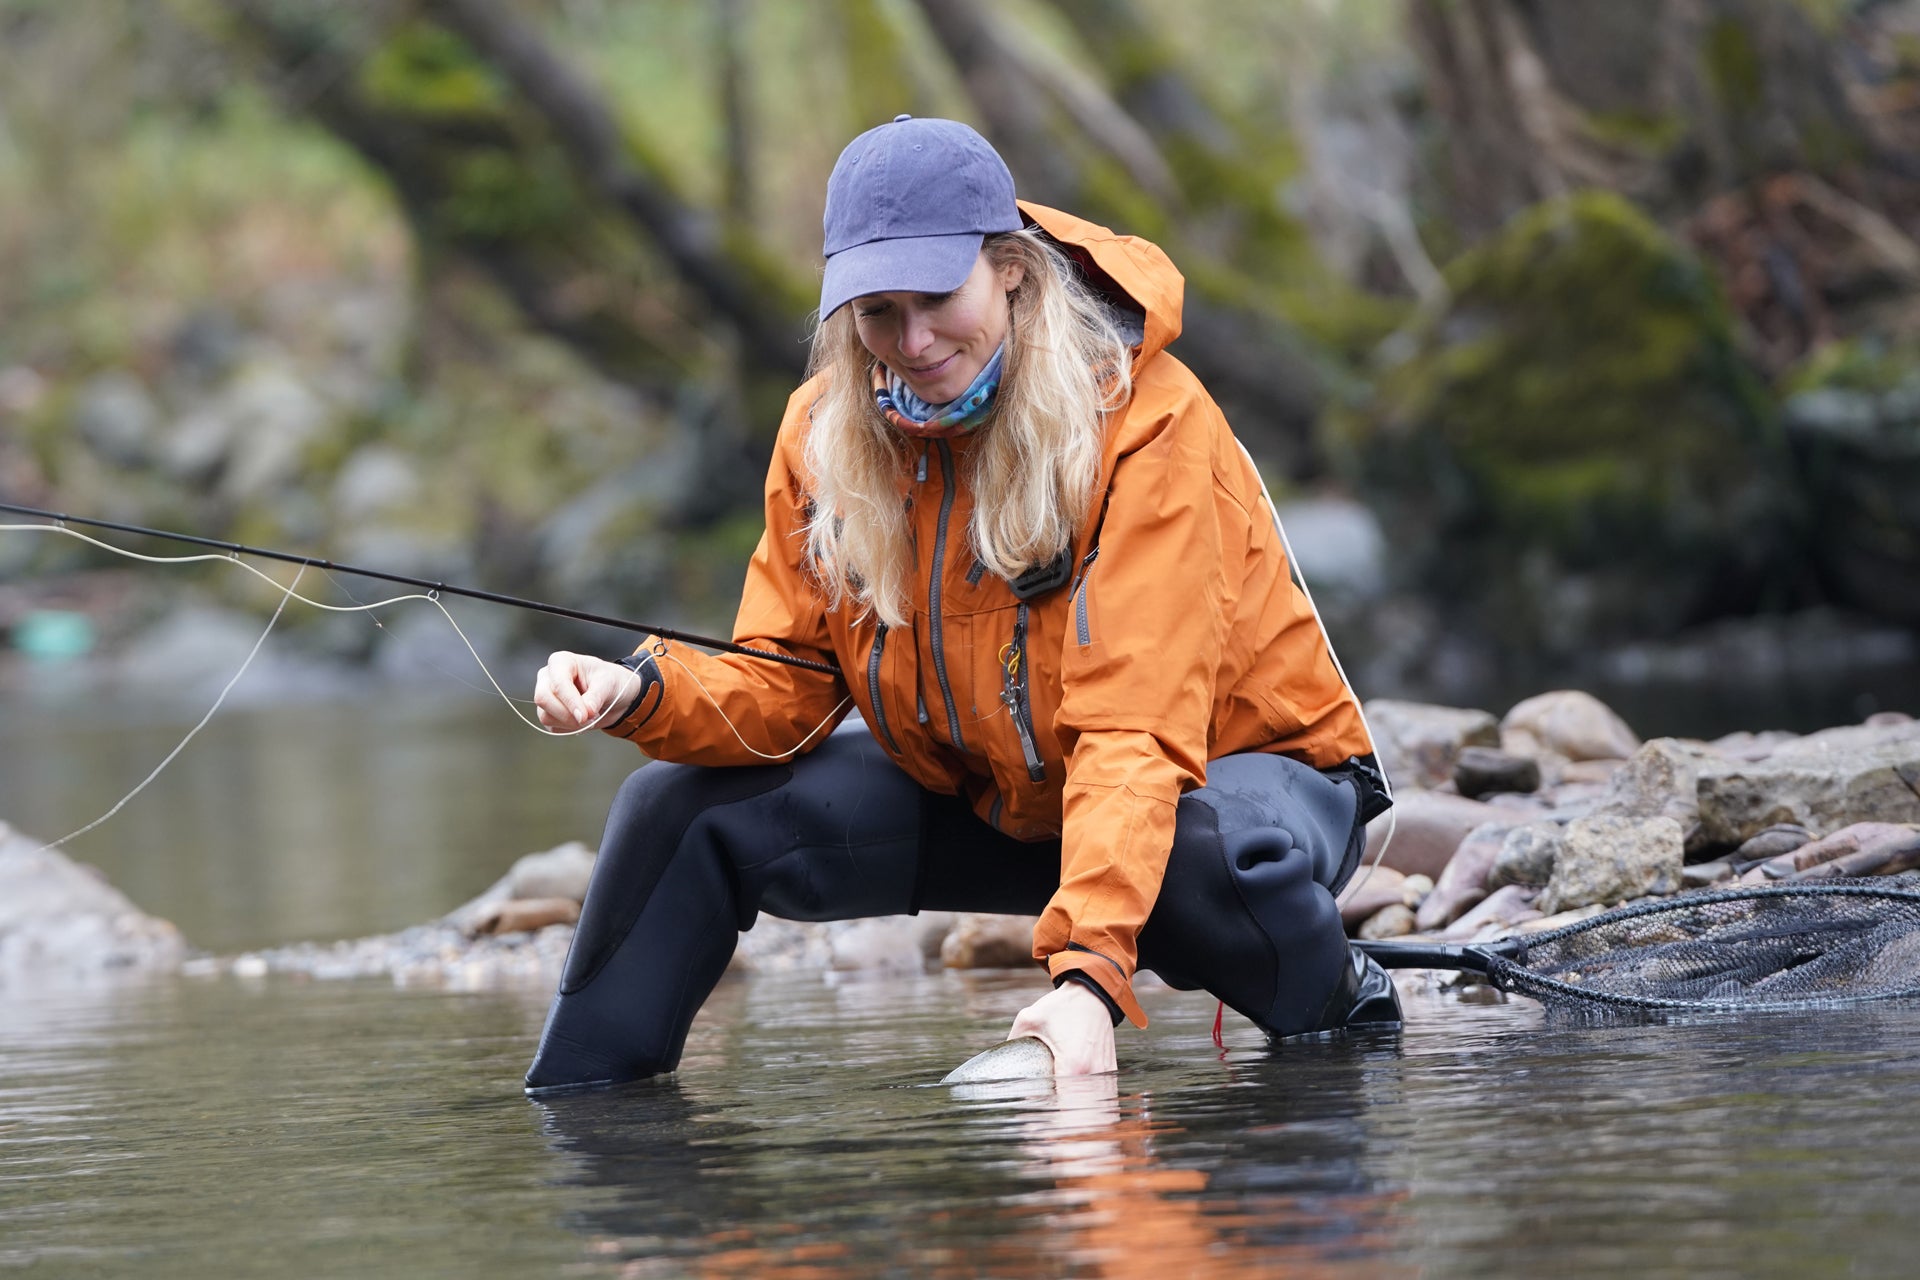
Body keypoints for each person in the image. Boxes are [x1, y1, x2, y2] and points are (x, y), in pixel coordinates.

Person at [526, 116, 1397, 1092]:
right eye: (877, 313)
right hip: (1002, 788)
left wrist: (1088, 982)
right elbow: (790, 685)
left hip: (1238, 775)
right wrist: (637, 691)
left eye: (938, 298)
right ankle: (585, 1124)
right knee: (675, 808)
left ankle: (1344, 1007)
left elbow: (1134, 730)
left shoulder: (1150, 423)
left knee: (1204, 862)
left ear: (1011, 268)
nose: (913, 342)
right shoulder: (826, 430)